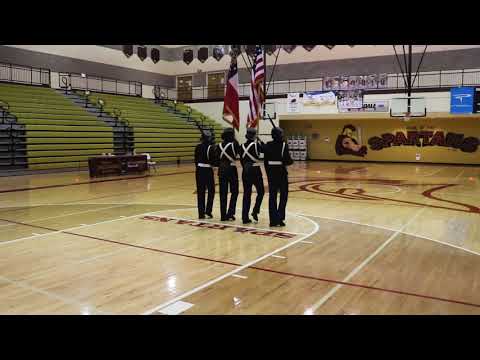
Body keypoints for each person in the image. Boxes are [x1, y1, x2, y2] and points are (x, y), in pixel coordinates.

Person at [263, 127, 294, 227]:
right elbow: (288, 161)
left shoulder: (268, 145)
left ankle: (272, 220)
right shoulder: (284, 145)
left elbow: (265, 162)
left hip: (271, 173)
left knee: (272, 197)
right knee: (283, 196)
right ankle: (280, 219)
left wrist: (268, 173)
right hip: (281, 173)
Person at [214, 127, 240, 221]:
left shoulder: (219, 145)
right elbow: (238, 153)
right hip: (232, 169)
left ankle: (223, 215)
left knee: (223, 193)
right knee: (234, 192)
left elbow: (216, 160)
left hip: (222, 170)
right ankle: (230, 212)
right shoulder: (235, 144)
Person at [240, 128, 265, 224]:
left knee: (247, 194)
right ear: (255, 136)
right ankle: (255, 210)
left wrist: (246, 168)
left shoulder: (241, 146)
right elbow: (265, 150)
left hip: (245, 172)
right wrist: (260, 140)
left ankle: (244, 217)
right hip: (256, 172)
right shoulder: (256, 145)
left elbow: (242, 160)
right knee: (261, 192)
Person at [194, 130, 215, 219]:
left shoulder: (197, 147)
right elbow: (213, 161)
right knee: (211, 191)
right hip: (208, 170)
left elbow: (195, 159)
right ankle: (208, 211)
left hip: (199, 170)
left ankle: (201, 213)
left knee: (200, 192)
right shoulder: (211, 147)